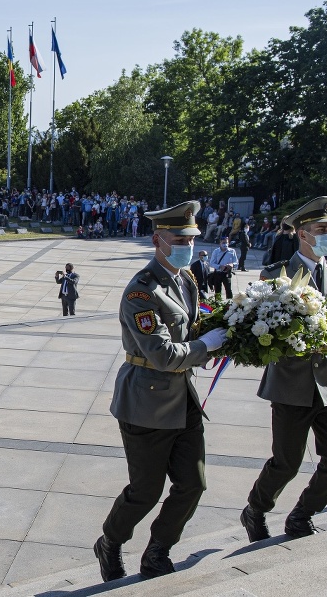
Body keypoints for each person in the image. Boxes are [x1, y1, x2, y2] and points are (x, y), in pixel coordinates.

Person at [94, 201, 228, 582]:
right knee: (145, 491)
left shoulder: (185, 279)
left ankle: (157, 552)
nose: (188, 245)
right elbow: (164, 354)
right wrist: (210, 345)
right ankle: (110, 541)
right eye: (180, 239)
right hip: (146, 403)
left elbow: (188, 334)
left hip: (183, 399)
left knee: (193, 484)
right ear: (158, 240)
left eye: (191, 238)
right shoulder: (141, 293)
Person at [240, 196, 327, 544]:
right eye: (322, 229)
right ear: (302, 233)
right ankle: (256, 508)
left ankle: (302, 514)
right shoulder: (275, 274)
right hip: (290, 382)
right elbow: (258, 323)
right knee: (286, 463)